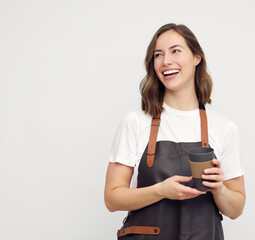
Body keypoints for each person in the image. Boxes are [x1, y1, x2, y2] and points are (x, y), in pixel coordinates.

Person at [104, 23, 246, 240]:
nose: (165, 61)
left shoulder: (224, 128)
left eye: (176, 51)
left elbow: (236, 209)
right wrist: (161, 191)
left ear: (196, 57)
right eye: (158, 55)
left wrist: (220, 189)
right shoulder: (135, 122)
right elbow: (112, 199)